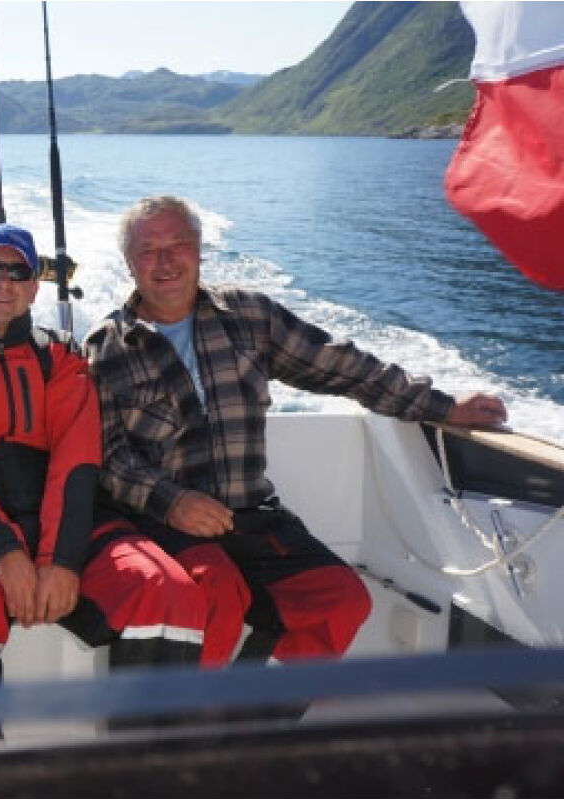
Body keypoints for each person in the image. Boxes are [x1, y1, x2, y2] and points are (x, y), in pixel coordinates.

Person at [85, 196, 510, 668]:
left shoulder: (249, 316)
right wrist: (173, 501)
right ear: (129, 264)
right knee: (213, 591)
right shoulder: (107, 348)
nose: (165, 262)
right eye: (148, 250)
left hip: (251, 516)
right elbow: (106, 454)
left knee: (340, 598)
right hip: (164, 523)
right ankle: (186, 713)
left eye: (178, 244)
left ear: (200, 250)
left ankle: (256, 709)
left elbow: (341, 366)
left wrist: (444, 407)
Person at [0, 223, 207, 712]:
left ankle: (147, 751)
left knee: (167, 589)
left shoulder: (62, 356)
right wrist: (7, 553)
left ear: (34, 288)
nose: (4, 282)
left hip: (65, 524)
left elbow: (76, 459)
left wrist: (60, 561)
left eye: (18, 272)